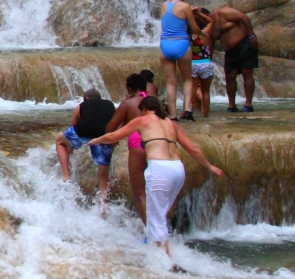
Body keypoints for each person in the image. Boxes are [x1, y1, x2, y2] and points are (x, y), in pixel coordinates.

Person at [91, 96, 226, 266]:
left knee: (155, 216)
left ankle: (164, 261)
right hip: (177, 169)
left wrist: (96, 140)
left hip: (159, 169)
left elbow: (113, 135)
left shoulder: (143, 120)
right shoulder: (171, 123)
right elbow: (192, 148)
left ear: (144, 109)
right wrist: (210, 167)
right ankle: (165, 252)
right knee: (159, 214)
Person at [56, 87, 118, 207]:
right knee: (103, 176)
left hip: (83, 131)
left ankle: (66, 176)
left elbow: (73, 126)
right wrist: (113, 137)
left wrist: (72, 147)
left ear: (86, 99)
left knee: (60, 141)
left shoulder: (81, 106)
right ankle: (102, 209)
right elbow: (115, 123)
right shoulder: (111, 105)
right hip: (104, 135)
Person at [108, 73, 153, 226]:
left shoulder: (128, 104)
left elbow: (111, 127)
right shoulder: (155, 103)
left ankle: (151, 233)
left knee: (140, 193)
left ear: (128, 87)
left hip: (138, 145)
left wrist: (112, 139)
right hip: (159, 144)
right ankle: (163, 228)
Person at [158, 0, 197, 121]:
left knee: (170, 83)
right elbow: (194, 28)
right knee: (187, 79)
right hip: (181, 43)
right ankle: (187, 110)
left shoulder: (164, 5)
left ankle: (173, 115)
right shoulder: (185, 6)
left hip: (165, 45)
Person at [209, 4, 259, 112]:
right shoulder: (210, 25)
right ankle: (231, 106)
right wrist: (209, 57)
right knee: (229, 76)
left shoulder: (224, 12)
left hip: (244, 44)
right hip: (230, 51)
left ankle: (248, 104)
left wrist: (251, 36)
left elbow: (244, 18)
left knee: (247, 72)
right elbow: (211, 40)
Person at [187, 8, 216, 119]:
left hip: (194, 64)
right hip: (206, 63)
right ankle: (206, 114)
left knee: (192, 90)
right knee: (206, 91)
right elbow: (212, 22)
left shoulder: (190, 37)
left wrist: (189, 14)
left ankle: (187, 111)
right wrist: (198, 13)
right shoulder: (205, 35)